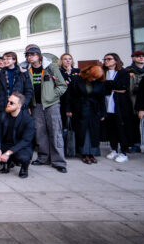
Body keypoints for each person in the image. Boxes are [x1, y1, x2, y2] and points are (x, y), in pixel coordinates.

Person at [26, 45, 68, 173]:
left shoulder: (50, 68)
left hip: (51, 105)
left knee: (55, 132)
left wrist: (53, 95)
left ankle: (59, 161)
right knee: (40, 133)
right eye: (28, 55)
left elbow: (62, 85)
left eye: (32, 54)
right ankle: (43, 157)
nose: (30, 57)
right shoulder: (27, 70)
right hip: (36, 106)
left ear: (39, 55)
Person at [66, 65, 106, 164]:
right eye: (93, 77)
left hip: (94, 110)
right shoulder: (76, 79)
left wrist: (103, 113)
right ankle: (84, 153)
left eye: (97, 78)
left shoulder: (99, 82)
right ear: (89, 74)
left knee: (93, 132)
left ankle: (92, 153)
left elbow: (102, 99)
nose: (94, 79)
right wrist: (68, 109)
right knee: (83, 131)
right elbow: (69, 95)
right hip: (80, 109)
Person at [0, 92, 34, 179]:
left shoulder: (27, 119)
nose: (8, 104)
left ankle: (24, 168)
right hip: (5, 145)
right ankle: (7, 163)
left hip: (19, 147)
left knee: (23, 157)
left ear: (19, 105)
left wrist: (8, 153)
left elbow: (26, 141)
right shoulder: (2, 115)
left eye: (12, 103)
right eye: (8, 101)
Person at [103, 53, 134, 163]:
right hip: (107, 104)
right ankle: (114, 149)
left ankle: (124, 152)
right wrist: (113, 86)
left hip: (121, 105)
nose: (106, 61)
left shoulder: (123, 72)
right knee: (111, 128)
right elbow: (103, 87)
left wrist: (108, 85)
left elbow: (123, 87)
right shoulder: (103, 72)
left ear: (116, 60)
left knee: (122, 128)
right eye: (105, 59)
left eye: (109, 59)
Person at [58, 53, 80, 128]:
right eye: (65, 59)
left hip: (76, 99)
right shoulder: (59, 72)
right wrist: (67, 74)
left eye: (69, 59)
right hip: (63, 99)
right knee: (65, 123)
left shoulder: (77, 71)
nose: (68, 61)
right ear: (61, 61)